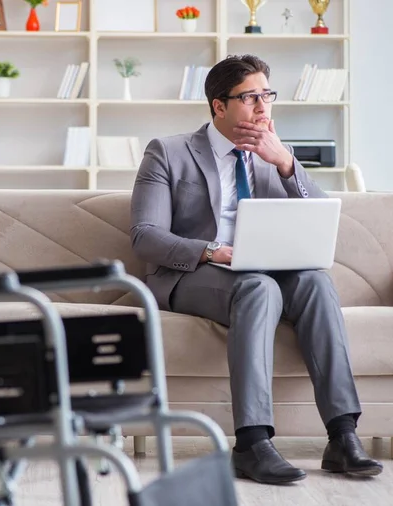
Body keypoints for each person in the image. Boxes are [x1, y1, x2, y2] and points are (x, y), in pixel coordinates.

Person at [129, 54, 383, 484]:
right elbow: (145, 235)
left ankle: (342, 435)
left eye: (267, 95)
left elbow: (322, 217)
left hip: (264, 265)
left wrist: (285, 162)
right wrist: (213, 250)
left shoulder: (274, 154)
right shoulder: (168, 152)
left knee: (317, 283)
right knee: (258, 288)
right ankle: (251, 443)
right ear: (218, 106)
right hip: (194, 272)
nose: (263, 107)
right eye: (250, 97)